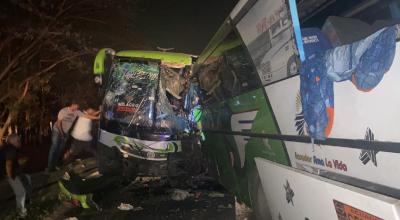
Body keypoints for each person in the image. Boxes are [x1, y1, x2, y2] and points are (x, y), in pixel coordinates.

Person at [47, 101, 83, 172]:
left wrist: (97, 114)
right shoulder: (63, 111)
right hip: (57, 131)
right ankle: (49, 167)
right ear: (73, 104)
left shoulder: (77, 112)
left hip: (65, 133)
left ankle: (55, 165)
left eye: (78, 107)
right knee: (54, 147)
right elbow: (59, 123)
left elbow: (86, 115)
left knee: (60, 149)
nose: (77, 108)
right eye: (76, 106)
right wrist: (62, 133)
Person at [4, 134, 31, 218]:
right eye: (19, 141)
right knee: (21, 192)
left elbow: (12, 162)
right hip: (8, 174)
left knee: (27, 178)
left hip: (14, 172)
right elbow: (8, 164)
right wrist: (11, 177)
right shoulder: (12, 150)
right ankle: (21, 213)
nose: (20, 143)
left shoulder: (8, 148)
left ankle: (27, 200)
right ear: (14, 142)